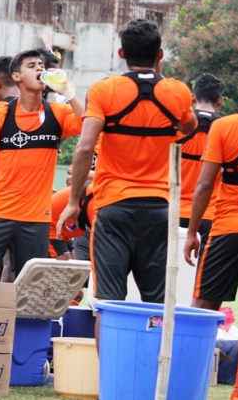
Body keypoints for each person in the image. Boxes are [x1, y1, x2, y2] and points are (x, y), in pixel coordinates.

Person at [56, 19, 196, 344]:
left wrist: (75, 202)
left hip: (112, 209)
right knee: (158, 305)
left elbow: (85, 146)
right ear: (160, 54)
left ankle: (110, 387)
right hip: (159, 211)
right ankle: (151, 379)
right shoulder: (176, 91)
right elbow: (188, 128)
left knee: (108, 303)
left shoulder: (105, 90)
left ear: (121, 53)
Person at [184, 64, 238, 400]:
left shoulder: (226, 126)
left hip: (228, 226)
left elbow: (204, 185)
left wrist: (191, 232)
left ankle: (186, 382)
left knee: (203, 307)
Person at [0, 49, 83, 279]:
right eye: (32, 65)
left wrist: (68, 92)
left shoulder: (58, 112)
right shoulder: (0, 115)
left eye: (41, 66)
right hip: (0, 212)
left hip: (37, 217)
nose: (39, 69)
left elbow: (86, 123)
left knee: (28, 280)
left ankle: (22, 317)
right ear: (16, 76)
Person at [177, 74, 224, 240]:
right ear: (220, 101)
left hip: (173, 211)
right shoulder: (226, 130)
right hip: (210, 215)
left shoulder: (177, 127)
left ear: (192, 98)